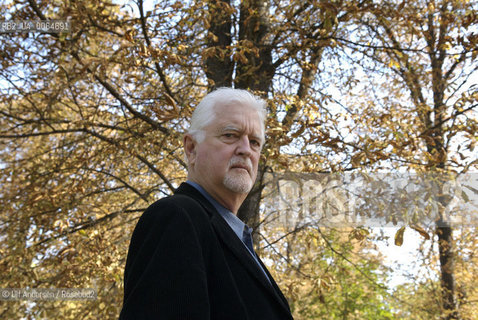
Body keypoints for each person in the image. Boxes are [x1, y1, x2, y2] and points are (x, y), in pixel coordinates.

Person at [119, 88, 294, 320]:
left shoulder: (237, 240)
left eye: (254, 142)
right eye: (230, 135)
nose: (245, 150)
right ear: (191, 148)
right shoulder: (176, 218)